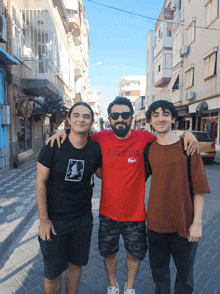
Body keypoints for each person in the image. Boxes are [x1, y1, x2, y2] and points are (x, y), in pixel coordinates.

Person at [47, 97, 198, 294]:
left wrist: (186, 134)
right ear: (109, 119)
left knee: (134, 255)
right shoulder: (99, 138)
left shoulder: (144, 138)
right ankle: (112, 286)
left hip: (135, 215)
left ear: (131, 118)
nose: (120, 119)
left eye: (125, 115)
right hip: (108, 212)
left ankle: (129, 288)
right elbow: (79, 133)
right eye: (115, 115)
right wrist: (63, 131)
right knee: (108, 253)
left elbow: (165, 134)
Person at [36, 102, 102, 294]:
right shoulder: (53, 145)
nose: (81, 119)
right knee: (52, 273)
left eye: (86, 116)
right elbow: (40, 183)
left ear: (92, 121)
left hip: (82, 220)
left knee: (75, 266)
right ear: (69, 119)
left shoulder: (95, 149)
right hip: (54, 221)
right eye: (76, 115)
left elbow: (101, 174)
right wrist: (43, 219)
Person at [145, 100, 211, 294]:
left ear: (173, 118)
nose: (161, 118)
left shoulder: (188, 146)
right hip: (155, 225)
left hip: (184, 224)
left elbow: (199, 188)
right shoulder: (149, 149)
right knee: (159, 275)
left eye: (165, 114)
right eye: (155, 115)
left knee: (185, 277)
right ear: (150, 120)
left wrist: (197, 222)